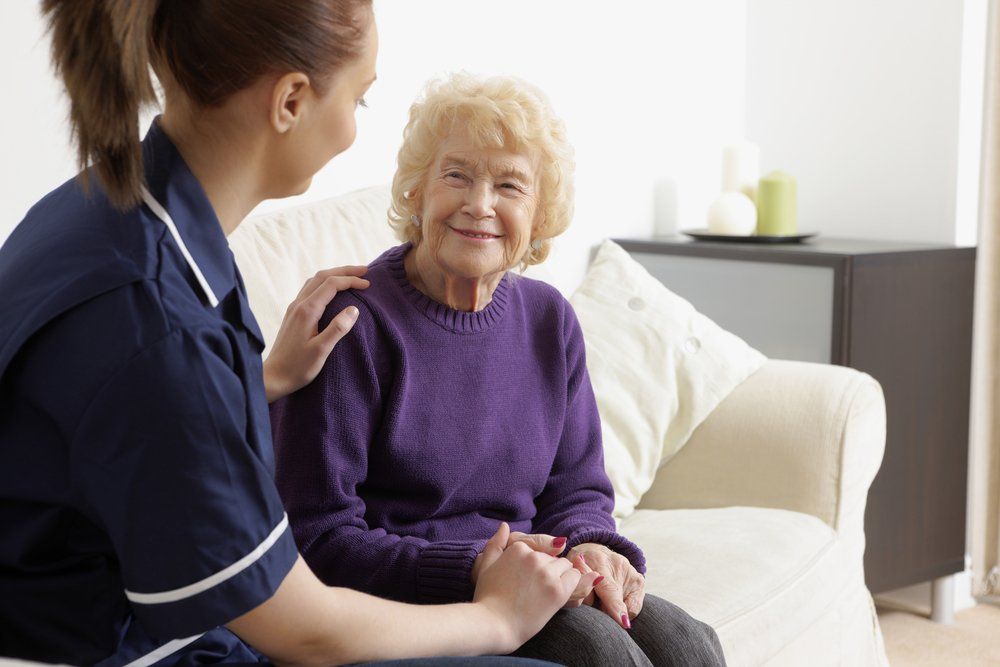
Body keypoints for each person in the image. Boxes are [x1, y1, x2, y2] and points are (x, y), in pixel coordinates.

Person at [0, 2, 581, 665]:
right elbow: (306, 630)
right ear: (291, 101)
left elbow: (114, 414)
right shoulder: (160, 324)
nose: (354, 131)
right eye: (360, 101)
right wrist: (497, 619)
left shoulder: (108, 207)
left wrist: (263, 376)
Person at [270, 73, 728, 667]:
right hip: (408, 599)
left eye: (510, 184)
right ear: (416, 191)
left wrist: (591, 546)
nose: (479, 204)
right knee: (600, 654)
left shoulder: (548, 321)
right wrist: (475, 568)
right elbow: (319, 536)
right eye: (456, 174)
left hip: (533, 574)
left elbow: (578, 488)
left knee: (689, 644)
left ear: (538, 216)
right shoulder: (355, 321)